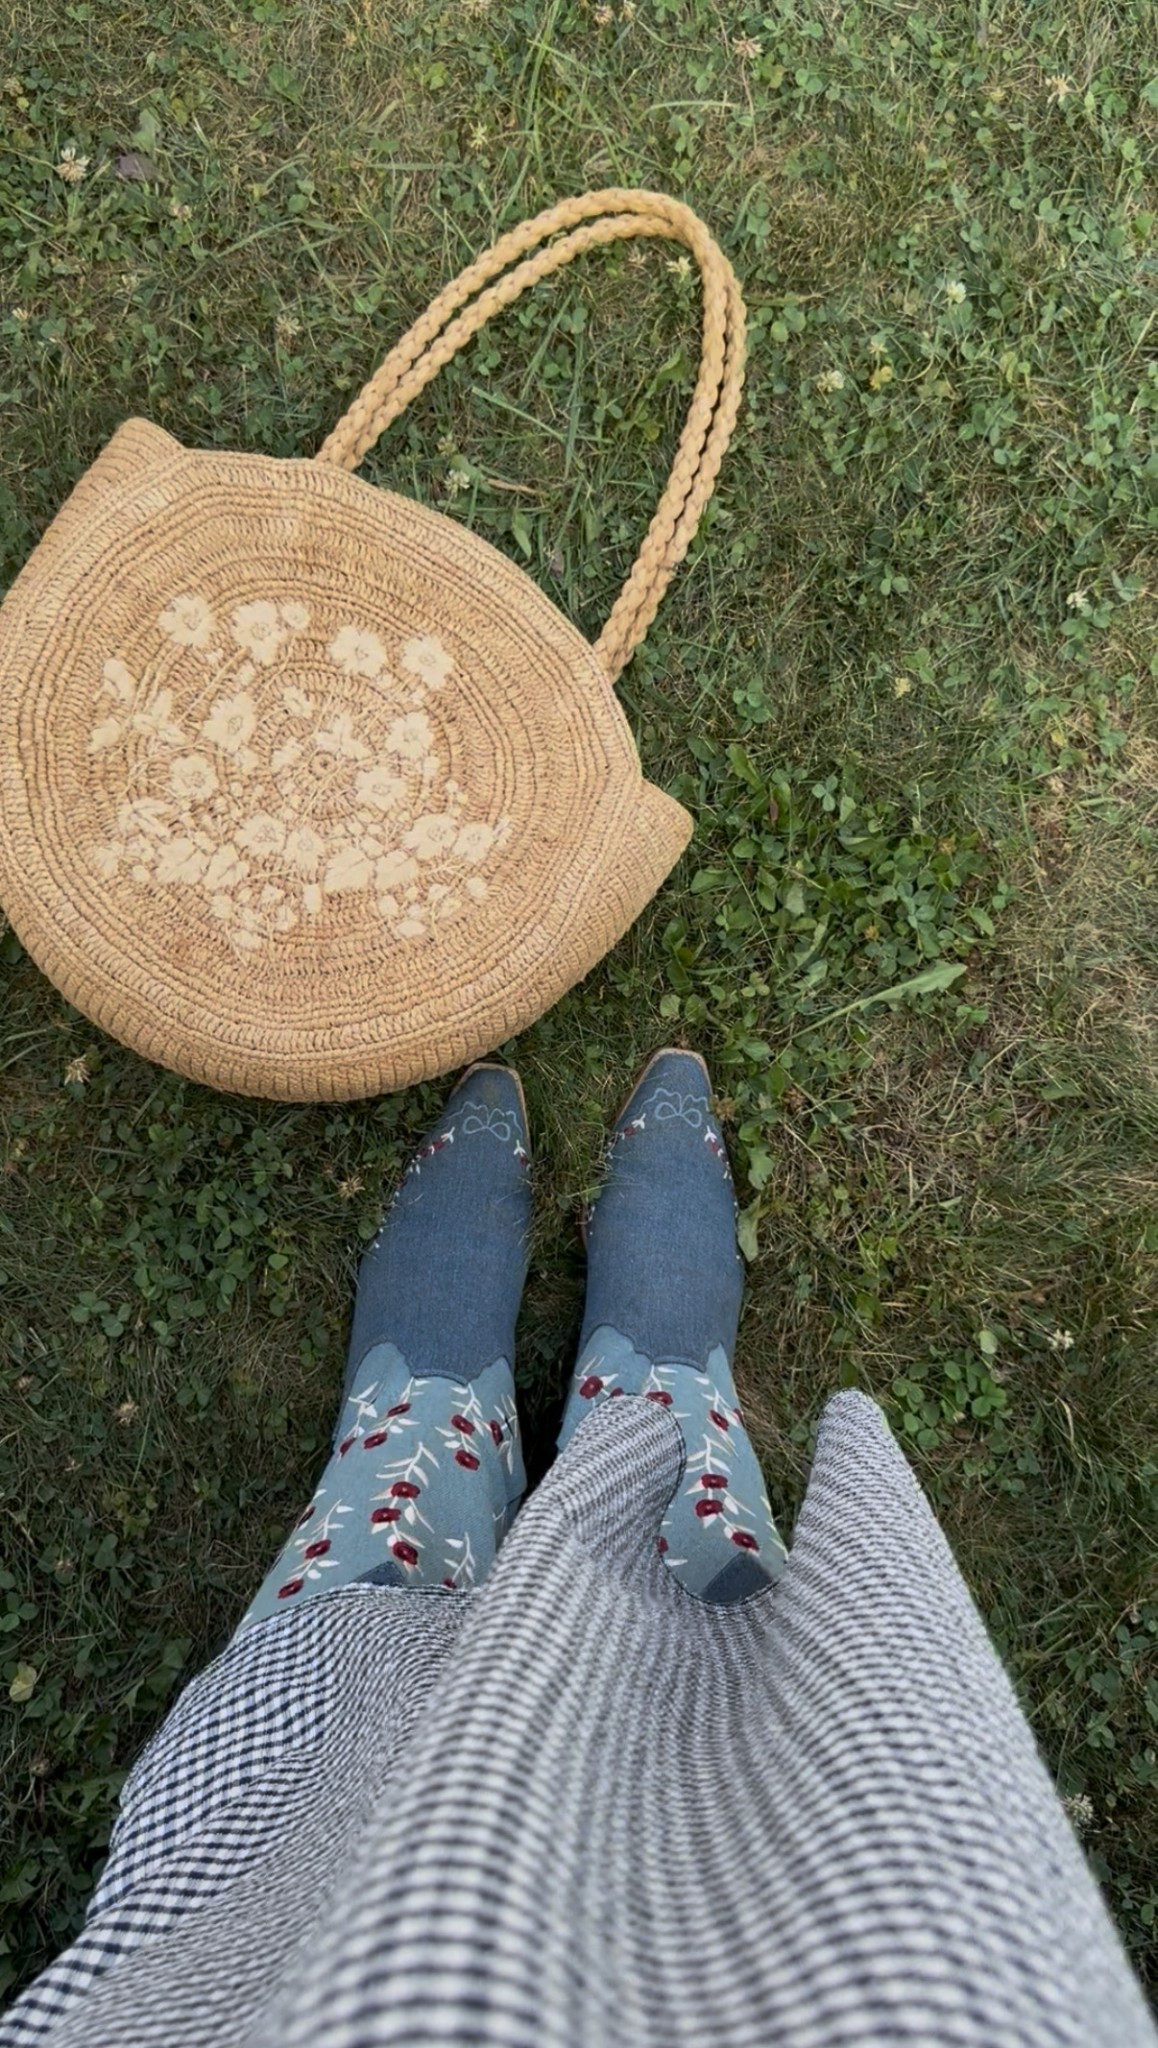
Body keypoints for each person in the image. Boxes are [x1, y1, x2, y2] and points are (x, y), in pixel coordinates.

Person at [4, 1052, 1153, 2047]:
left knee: (384, 1546)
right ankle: (656, 1391)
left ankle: (437, 1424)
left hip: (276, 1931)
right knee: (700, 1562)